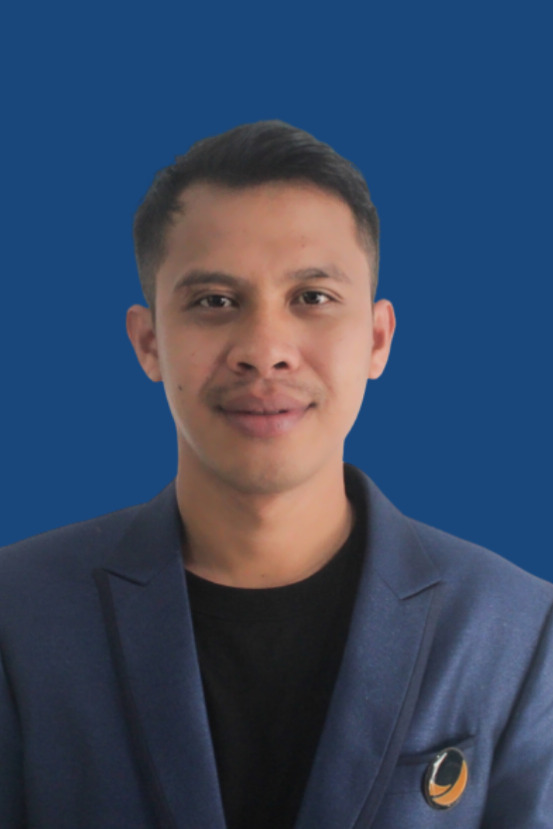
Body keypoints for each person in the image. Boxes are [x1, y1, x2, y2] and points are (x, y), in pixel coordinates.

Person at [1, 121, 552, 829]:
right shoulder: (18, 618)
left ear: (377, 338)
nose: (265, 350)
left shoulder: (517, 633)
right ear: (148, 342)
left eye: (312, 297)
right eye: (214, 301)